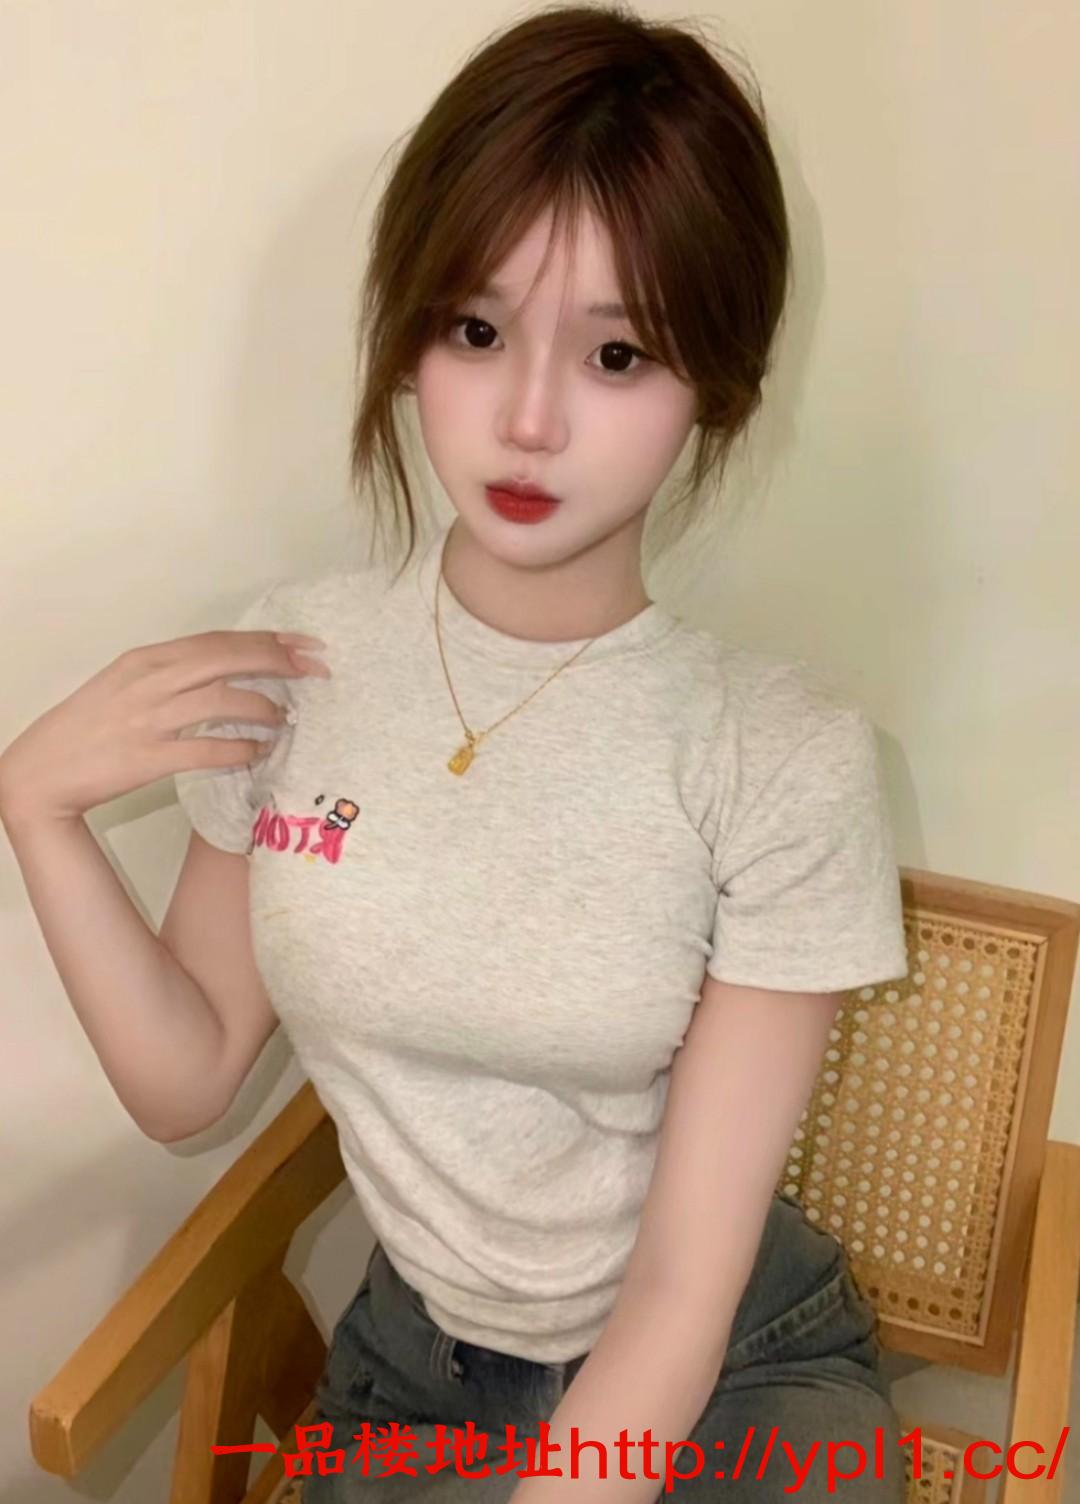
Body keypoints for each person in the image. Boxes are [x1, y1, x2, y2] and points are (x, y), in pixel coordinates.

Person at [0, 6, 911, 1501]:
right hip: (413, 1376)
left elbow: (682, 1288)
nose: (530, 420)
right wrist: (35, 808)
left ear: (718, 383)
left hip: (730, 1370)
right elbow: (188, 1081)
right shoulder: (293, 668)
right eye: (476, 332)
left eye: (618, 353)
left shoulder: (780, 754)